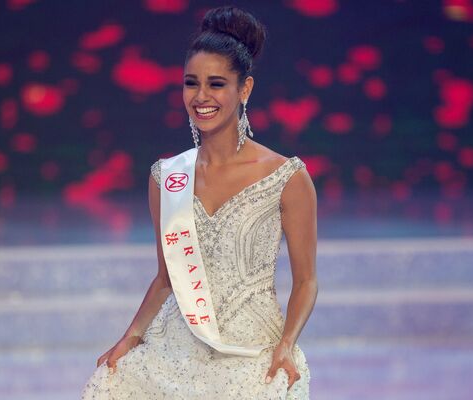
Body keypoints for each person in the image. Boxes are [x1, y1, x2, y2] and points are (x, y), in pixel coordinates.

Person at [81, 5, 318, 399]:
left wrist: (287, 344)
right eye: (192, 83)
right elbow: (166, 278)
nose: (202, 96)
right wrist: (131, 336)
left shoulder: (287, 177)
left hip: (253, 350)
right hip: (179, 342)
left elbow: (306, 280)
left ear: (245, 89)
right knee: (109, 384)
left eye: (216, 84)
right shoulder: (166, 177)